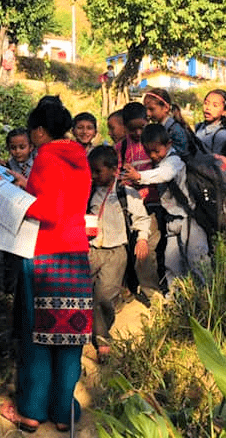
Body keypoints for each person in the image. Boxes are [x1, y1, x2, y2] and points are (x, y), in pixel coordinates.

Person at [0, 96, 92, 433]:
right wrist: (30, 188)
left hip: (45, 254)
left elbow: (48, 210)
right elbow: (66, 202)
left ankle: (31, 410)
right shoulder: (79, 156)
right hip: (76, 254)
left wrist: (18, 201)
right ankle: (63, 411)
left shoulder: (45, 157)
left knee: (37, 335)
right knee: (70, 335)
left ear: (39, 131)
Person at [122, 124, 209, 293]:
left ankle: (205, 297)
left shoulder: (173, 161)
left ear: (168, 144)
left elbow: (165, 174)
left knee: (197, 261)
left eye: (156, 151)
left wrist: (139, 176)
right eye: (149, 152)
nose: (153, 156)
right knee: (172, 263)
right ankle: (175, 297)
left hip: (189, 219)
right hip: (172, 220)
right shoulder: (161, 162)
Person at [87, 146, 150, 359]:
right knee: (84, 292)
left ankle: (102, 338)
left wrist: (142, 238)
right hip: (91, 249)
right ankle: (85, 332)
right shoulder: (88, 192)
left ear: (114, 170)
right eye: (92, 171)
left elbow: (141, 218)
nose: (94, 176)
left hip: (116, 252)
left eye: (98, 171)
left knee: (105, 295)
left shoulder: (125, 194)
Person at [112, 103, 164, 298]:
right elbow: (116, 176)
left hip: (154, 203)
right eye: (132, 129)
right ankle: (142, 290)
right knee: (138, 248)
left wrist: (140, 177)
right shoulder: (121, 148)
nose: (138, 132)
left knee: (148, 249)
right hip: (132, 206)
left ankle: (154, 293)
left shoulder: (154, 142)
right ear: (124, 126)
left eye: (141, 127)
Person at [142, 88, 191, 157]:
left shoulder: (175, 130)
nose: (148, 113)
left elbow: (182, 156)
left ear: (166, 108)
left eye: (151, 109)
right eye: (145, 109)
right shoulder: (161, 127)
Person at [195, 90, 226, 154]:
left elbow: (217, 158)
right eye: (206, 103)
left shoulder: (222, 135)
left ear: (225, 111)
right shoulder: (199, 126)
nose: (208, 108)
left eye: (215, 105)